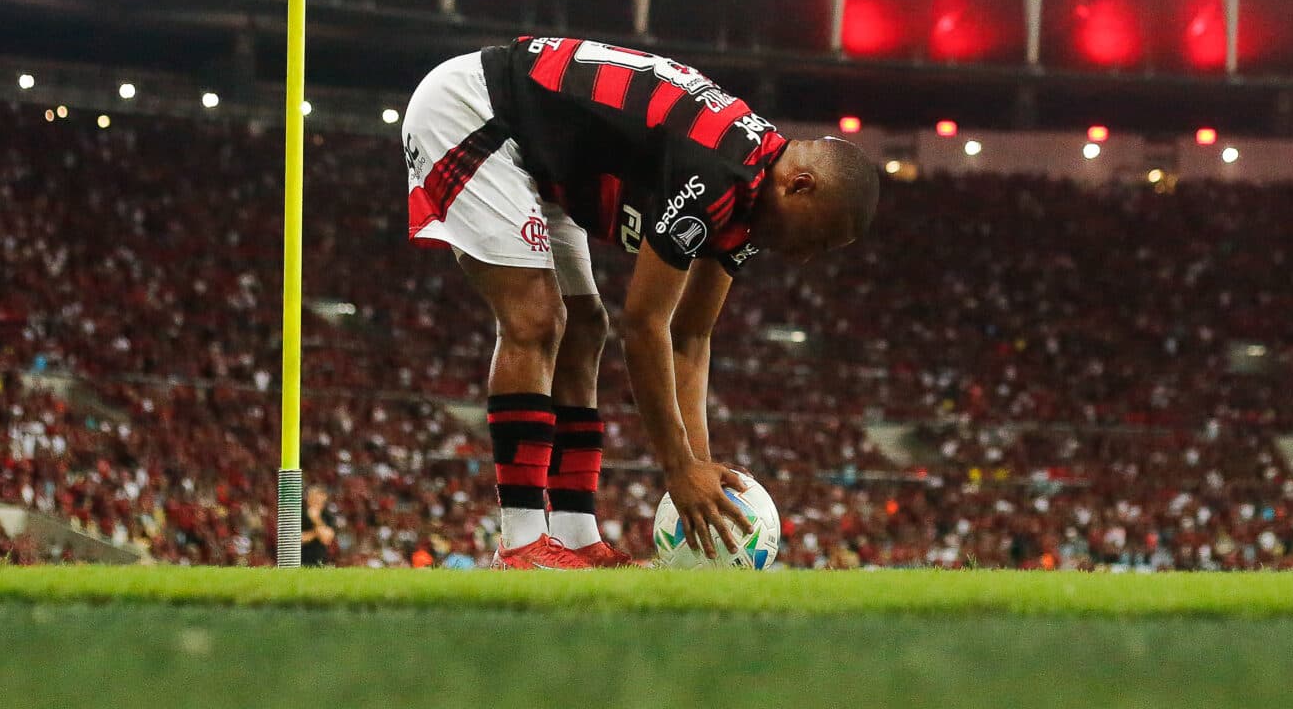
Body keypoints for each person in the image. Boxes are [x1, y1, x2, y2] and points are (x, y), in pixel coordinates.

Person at [401, 36, 878, 569]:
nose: (807, 257)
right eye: (819, 238)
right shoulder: (716, 172)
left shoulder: (751, 199)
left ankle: (577, 535)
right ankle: (521, 543)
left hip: (539, 150)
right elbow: (647, 323)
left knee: (584, 328)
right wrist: (677, 469)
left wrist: (698, 462)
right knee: (535, 320)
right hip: (476, 111)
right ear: (801, 186)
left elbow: (691, 336)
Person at [299, 485, 335, 566]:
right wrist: (318, 532)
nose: (317, 502)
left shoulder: (328, 515)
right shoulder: (299, 513)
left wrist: (316, 519)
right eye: (314, 499)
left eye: (320, 500)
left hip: (320, 560)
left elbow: (326, 539)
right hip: (300, 560)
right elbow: (298, 539)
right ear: (308, 499)